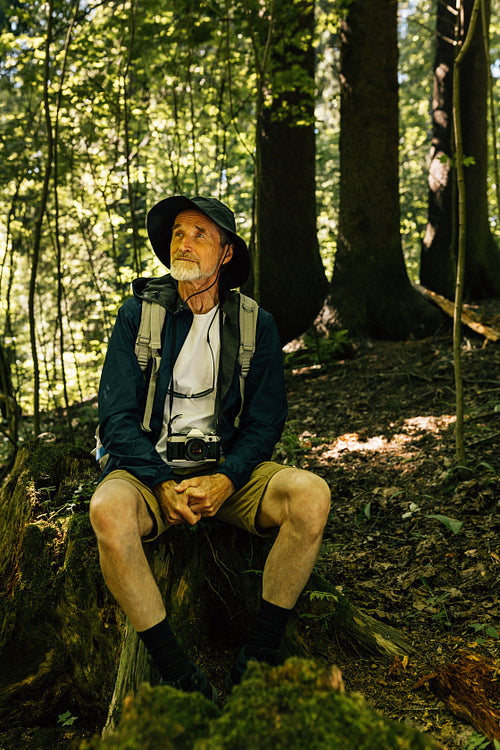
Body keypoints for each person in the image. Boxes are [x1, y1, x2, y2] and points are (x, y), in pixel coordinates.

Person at [89, 195, 331, 703]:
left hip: (227, 472)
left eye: (200, 233)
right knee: (107, 510)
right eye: (178, 232)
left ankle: (258, 656)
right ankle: (176, 670)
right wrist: (159, 482)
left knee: (310, 495)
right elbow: (115, 419)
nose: (185, 241)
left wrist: (228, 479)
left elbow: (266, 422)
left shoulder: (254, 324)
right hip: (150, 472)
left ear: (225, 254)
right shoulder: (138, 316)